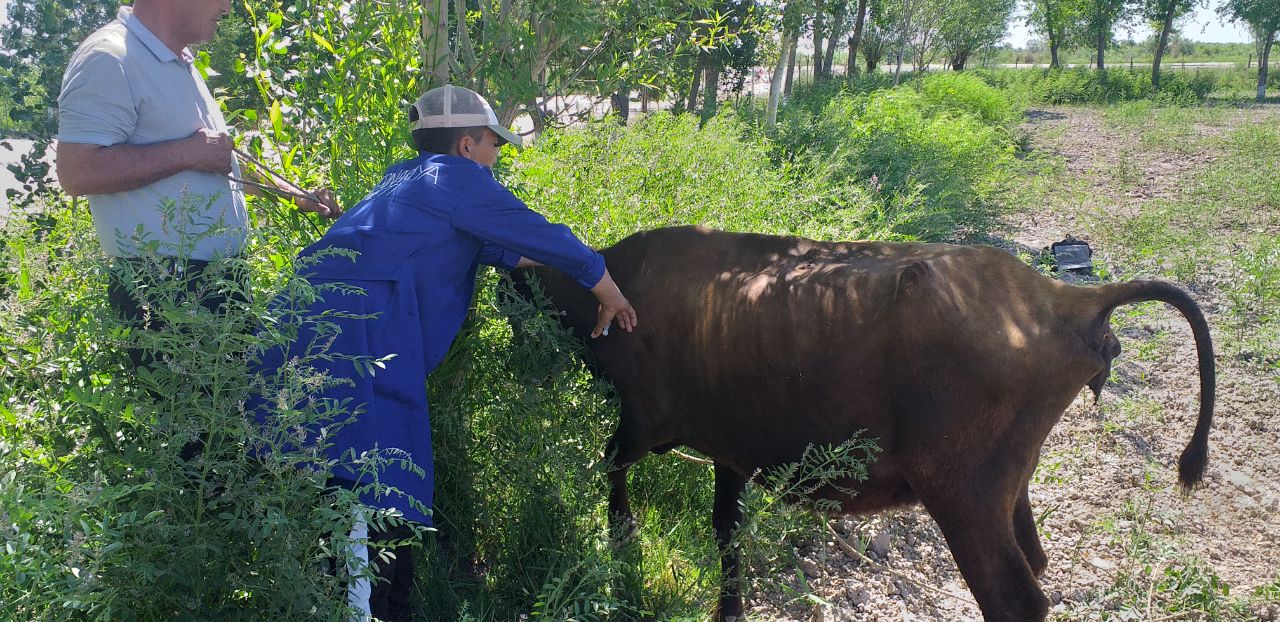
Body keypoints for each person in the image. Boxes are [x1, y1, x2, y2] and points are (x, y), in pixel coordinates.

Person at [254, 84, 637, 621]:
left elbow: (511, 248)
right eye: (493, 143)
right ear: (466, 146)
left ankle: (388, 608)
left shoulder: (404, 179)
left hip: (321, 346)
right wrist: (609, 290)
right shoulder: (457, 180)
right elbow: (542, 234)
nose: (497, 154)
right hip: (353, 354)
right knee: (365, 502)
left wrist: (571, 260)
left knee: (388, 496)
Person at [55, 0, 341, 358]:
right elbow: (77, 171)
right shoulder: (109, 57)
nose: (227, 8)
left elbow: (215, 160)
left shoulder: (177, 62)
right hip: (163, 290)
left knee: (232, 393)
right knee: (193, 397)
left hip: (216, 284)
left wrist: (294, 195)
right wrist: (186, 153)